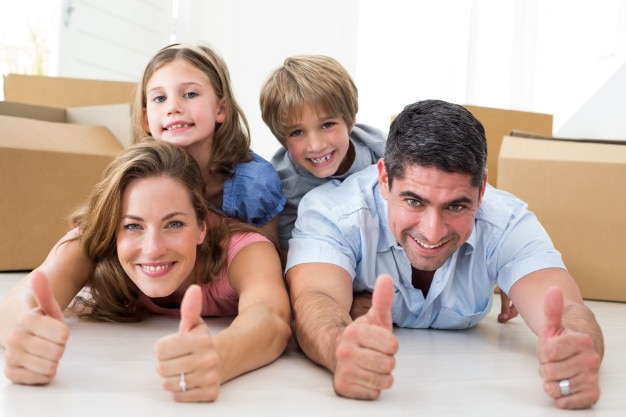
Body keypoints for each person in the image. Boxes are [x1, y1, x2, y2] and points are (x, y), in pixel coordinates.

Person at [285, 99, 604, 409]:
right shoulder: (333, 212)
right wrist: (339, 345)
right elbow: (316, 299)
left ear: (481, 192)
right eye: (413, 201)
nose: (432, 232)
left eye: (456, 206)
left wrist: (575, 351)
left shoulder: (506, 222)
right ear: (384, 179)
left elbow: (569, 312)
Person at [0, 141, 292, 402]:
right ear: (114, 228)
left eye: (174, 224)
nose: (153, 248)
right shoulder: (93, 241)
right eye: (133, 226)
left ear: (203, 226)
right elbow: (21, 297)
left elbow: (270, 316)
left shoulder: (244, 249)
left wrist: (220, 356)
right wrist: (24, 332)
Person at [133, 43, 286, 243]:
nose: (173, 107)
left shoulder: (256, 183)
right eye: (160, 98)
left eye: (190, 94)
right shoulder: (135, 179)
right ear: (146, 119)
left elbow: (268, 258)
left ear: (220, 109)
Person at [259, 54, 386, 261]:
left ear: (351, 120)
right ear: (282, 139)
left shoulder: (381, 150)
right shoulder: (284, 190)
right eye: (297, 132)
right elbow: (290, 259)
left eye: (327, 125)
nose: (316, 145)